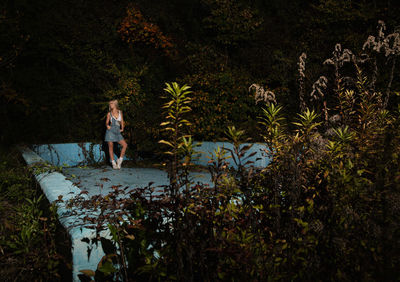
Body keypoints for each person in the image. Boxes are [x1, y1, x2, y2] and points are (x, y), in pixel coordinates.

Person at [105, 99, 128, 169]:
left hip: (117, 131)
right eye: (109, 104)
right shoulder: (109, 113)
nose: (110, 105)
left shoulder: (120, 112)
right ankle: (113, 163)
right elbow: (106, 122)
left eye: (111, 103)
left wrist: (122, 128)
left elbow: (122, 121)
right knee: (111, 147)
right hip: (110, 131)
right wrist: (107, 125)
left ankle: (120, 160)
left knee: (125, 145)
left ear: (115, 104)